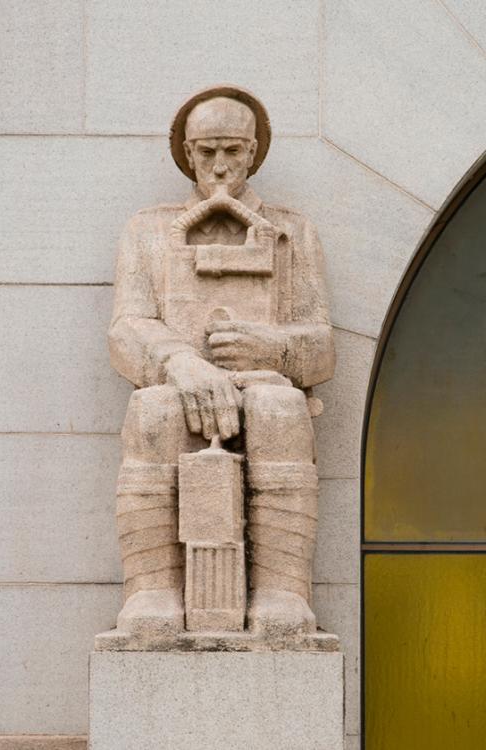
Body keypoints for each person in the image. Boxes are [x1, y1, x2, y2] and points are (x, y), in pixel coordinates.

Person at [108, 85, 335, 638]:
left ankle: (282, 589)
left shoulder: (291, 230)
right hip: (177, 384)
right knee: (153, 414)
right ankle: (153, 589)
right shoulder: (149, 230)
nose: (219, 166)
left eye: (232, 151)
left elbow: (322, 345)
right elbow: (127, 326)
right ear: (188, 154)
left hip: (264, 383)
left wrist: (272, 348)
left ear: (253, 152)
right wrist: (182, 363)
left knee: (280, 411)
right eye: (206, 152)